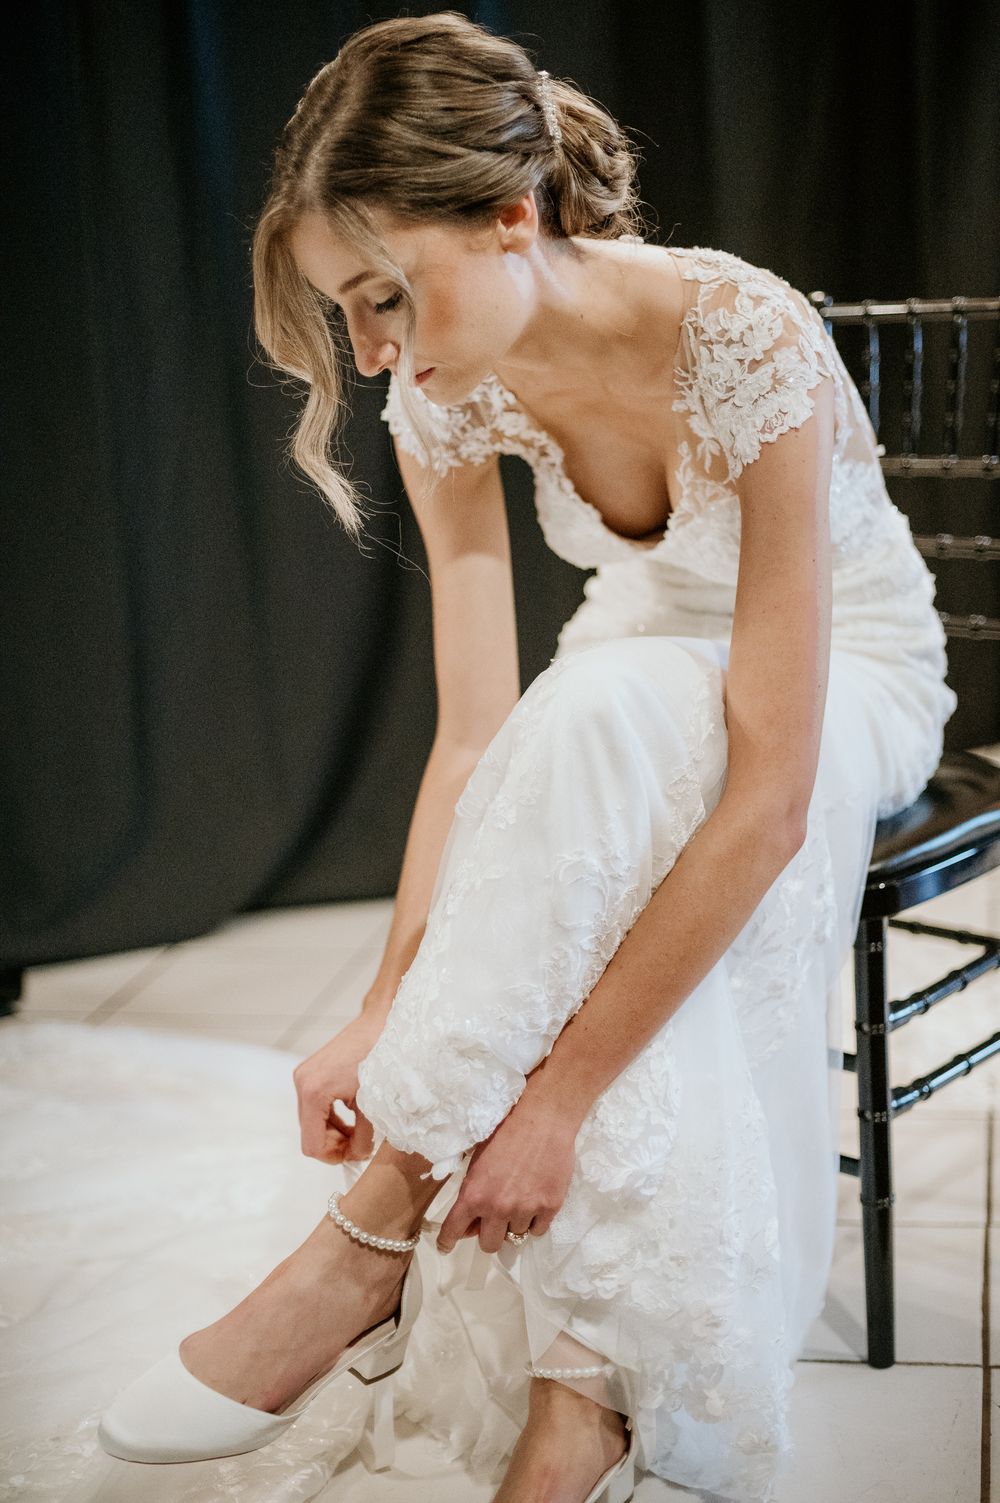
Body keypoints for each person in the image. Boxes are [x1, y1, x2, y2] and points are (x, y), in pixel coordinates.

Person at [97, 11, 957, 1503]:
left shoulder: (743, 334)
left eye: (383, 299)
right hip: (635, 680)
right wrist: (383, 1008)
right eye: (345, 316)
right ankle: (588, 1391)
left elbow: (765, 791)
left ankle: (372, 1238)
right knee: (588, 726)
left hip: (847, 682)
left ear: (510, 218)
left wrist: (554, 1103)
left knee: (615, 727)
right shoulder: (444, 396)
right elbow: (474, 734)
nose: (369, 358)